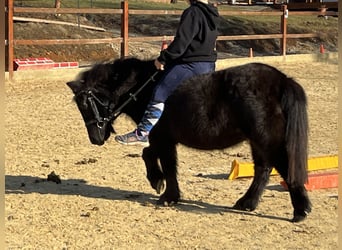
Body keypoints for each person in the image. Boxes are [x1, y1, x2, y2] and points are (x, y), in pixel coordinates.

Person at [115, 0, 219, 146]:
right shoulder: (212, 13)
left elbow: (181, 42)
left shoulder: (192, 12)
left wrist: (163, 58)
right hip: (208, 64)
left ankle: (142, 133)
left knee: (160, 92)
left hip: (191, 64)